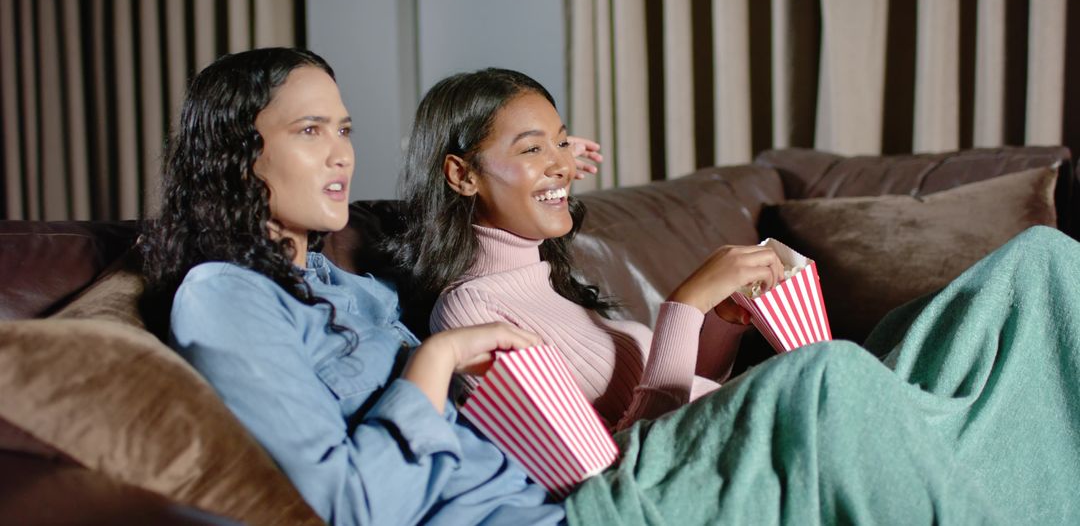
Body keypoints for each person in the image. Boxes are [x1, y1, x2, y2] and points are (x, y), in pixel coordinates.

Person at [145, 48, 1080, 526]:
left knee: (1039, 269)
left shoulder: (355, 293)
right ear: (238, 150)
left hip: (605, 477)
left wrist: (702, 313)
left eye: (344, 127)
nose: (342, 152)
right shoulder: (224, 298)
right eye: (310, 131)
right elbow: (346, 509)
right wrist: (431, 367)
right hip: (589, 505)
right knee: (825, 384)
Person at [392, 68, 785, 430]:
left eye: (563, 142)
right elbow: (629, 461)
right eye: (532, 148)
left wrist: (720, 320)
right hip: (684, 482)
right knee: (825, 368)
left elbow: (683, 391)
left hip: (731, 447)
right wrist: (685, 306)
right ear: (462, 174)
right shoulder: (470, 312)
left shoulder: (549, 283)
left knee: (825, 370)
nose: (562, 163)